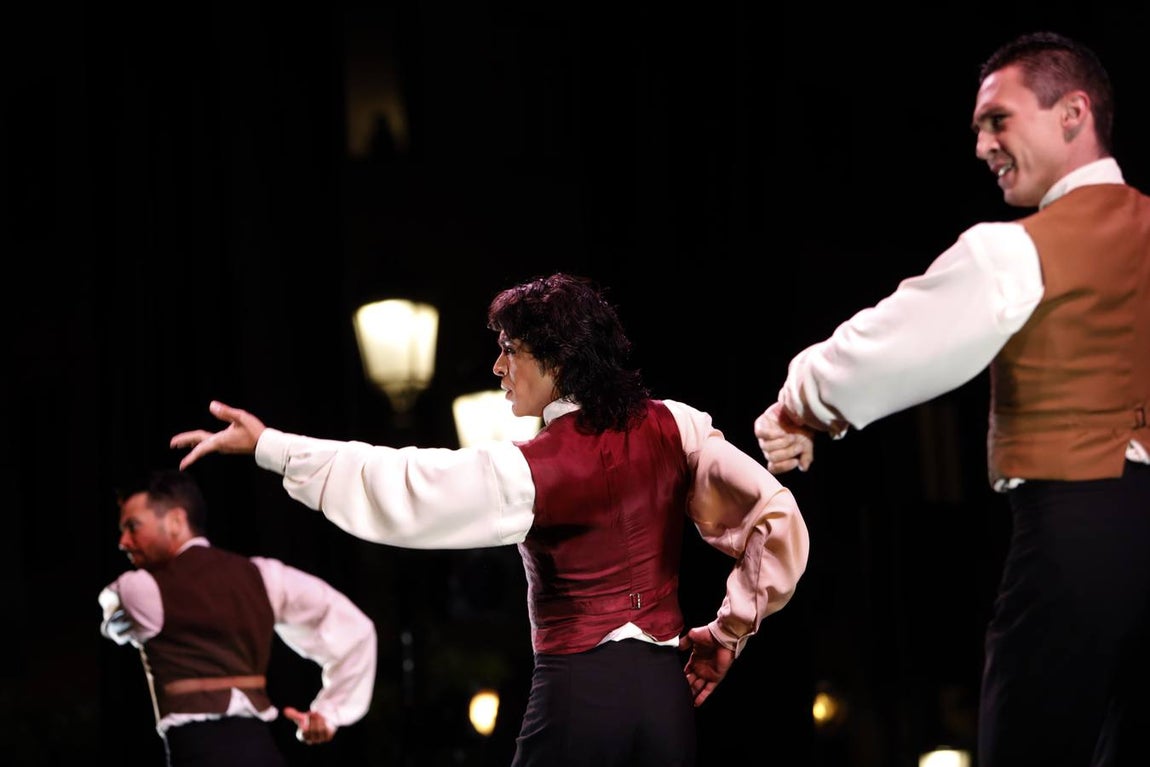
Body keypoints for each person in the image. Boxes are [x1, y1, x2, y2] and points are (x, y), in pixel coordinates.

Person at [169, 272, 810, 767]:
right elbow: (775, 517)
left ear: (557, 356)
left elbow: (402, 485)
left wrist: (269, 446)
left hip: (578, 697)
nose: (498, 367)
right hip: (667, 701)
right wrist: (728, 633)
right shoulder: (680, 425)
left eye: (510, 350)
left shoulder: (530, 469)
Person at [754, 30, 1150, 767]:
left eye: (998, 120)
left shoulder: (1021, 248)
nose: (982, 145)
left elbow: (897, 340)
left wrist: (799, 403)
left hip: (1076, 534)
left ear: (1072, 113)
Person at [98, 468, 378, 767]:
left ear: (176, 521)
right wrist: (330, 712)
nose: (124, 541)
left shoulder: (137, 590)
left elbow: (115, 622)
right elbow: (356, 629)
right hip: (262, 752)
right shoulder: (264, 575)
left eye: (133, 526)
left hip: (198, 754)